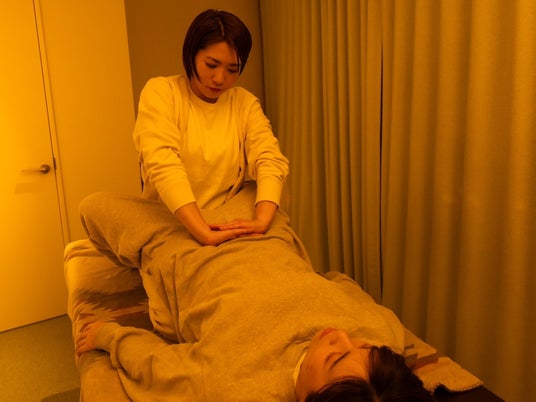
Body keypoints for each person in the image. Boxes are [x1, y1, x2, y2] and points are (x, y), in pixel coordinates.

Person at [76, 186, 433, 402]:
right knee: (270, 178)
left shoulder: (233, 386)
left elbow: (154, 367)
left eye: (334, 357)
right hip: (261, 228)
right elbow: (341, 282)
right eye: (360, 345)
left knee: (92, 207)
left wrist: (107, 336)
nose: (340, 336)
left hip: (184, 243)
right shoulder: (385, 346)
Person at [133, 9, 289, 247]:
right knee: (95, 205)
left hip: (226, 218)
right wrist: (203, 233)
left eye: (232, 69)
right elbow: (163, 163)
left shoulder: (244, 103)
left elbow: (270, 159)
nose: (219, 78)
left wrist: (261, 222)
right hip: (173, 222)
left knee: (274, 222)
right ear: (191, 53)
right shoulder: (162, 93)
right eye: (211, 64)